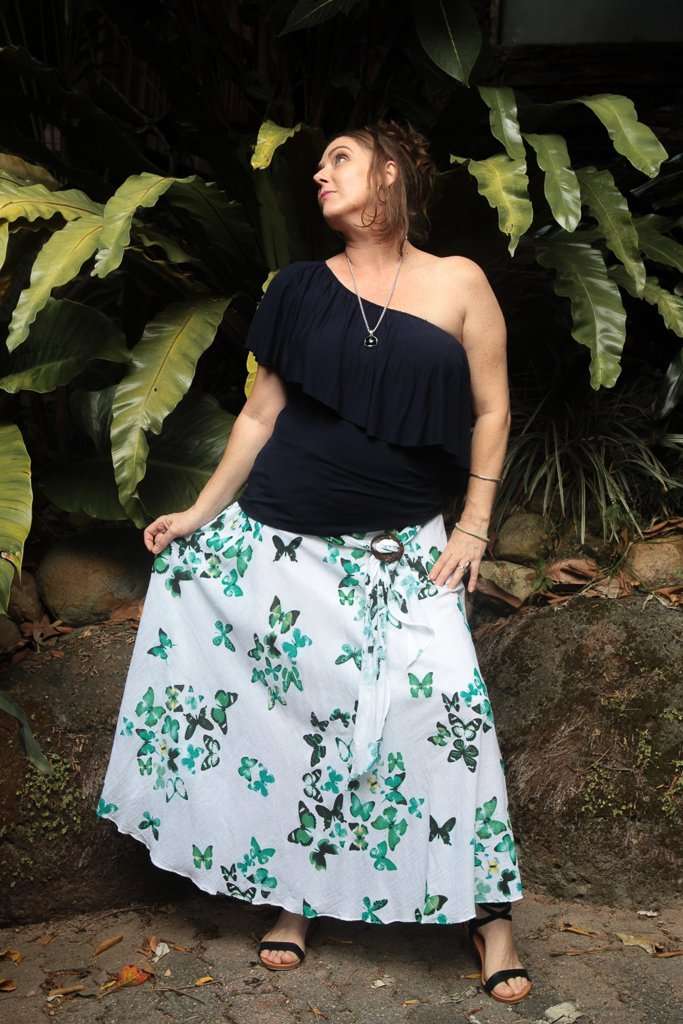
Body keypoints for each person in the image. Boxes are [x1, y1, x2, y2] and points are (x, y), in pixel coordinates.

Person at [97, 119, 532, 1004]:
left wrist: (474, 526)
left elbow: (491, 409)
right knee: (300, 724)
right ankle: (293, 896)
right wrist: (198, 512)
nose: (320, 175)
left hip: (406, 548)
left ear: (392, 173)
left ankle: (488, 914)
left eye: (340, 158)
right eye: (321, 163)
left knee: (446, 711)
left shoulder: (458, 282)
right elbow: (260, 416)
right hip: (284, 545)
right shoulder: (297, 288)